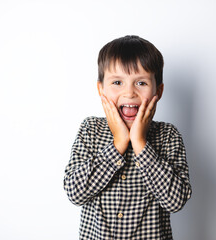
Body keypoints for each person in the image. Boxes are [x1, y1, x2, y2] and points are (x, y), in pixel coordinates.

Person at [64, 35, 192, 240]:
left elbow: (175, 201)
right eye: (117, 82)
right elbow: (75, 192)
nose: (129, 92)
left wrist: (140, 144)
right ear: (101, 89)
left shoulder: (168, 135)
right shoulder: (90, 129)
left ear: (158, 90)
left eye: (141, 82)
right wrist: (118, 144)